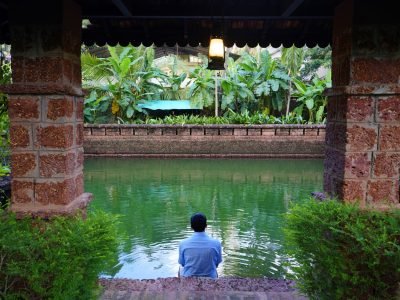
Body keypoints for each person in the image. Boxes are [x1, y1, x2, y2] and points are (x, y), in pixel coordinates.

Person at [178, 212, 222, 279]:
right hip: (210, 278)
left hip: (189, 278)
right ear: (206, 226)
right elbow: (217, 264)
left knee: (180, 269)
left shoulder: (183, 243)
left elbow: (183, 264)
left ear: (191, 227)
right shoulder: (216, 243)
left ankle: (182, 286)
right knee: (214, 271)